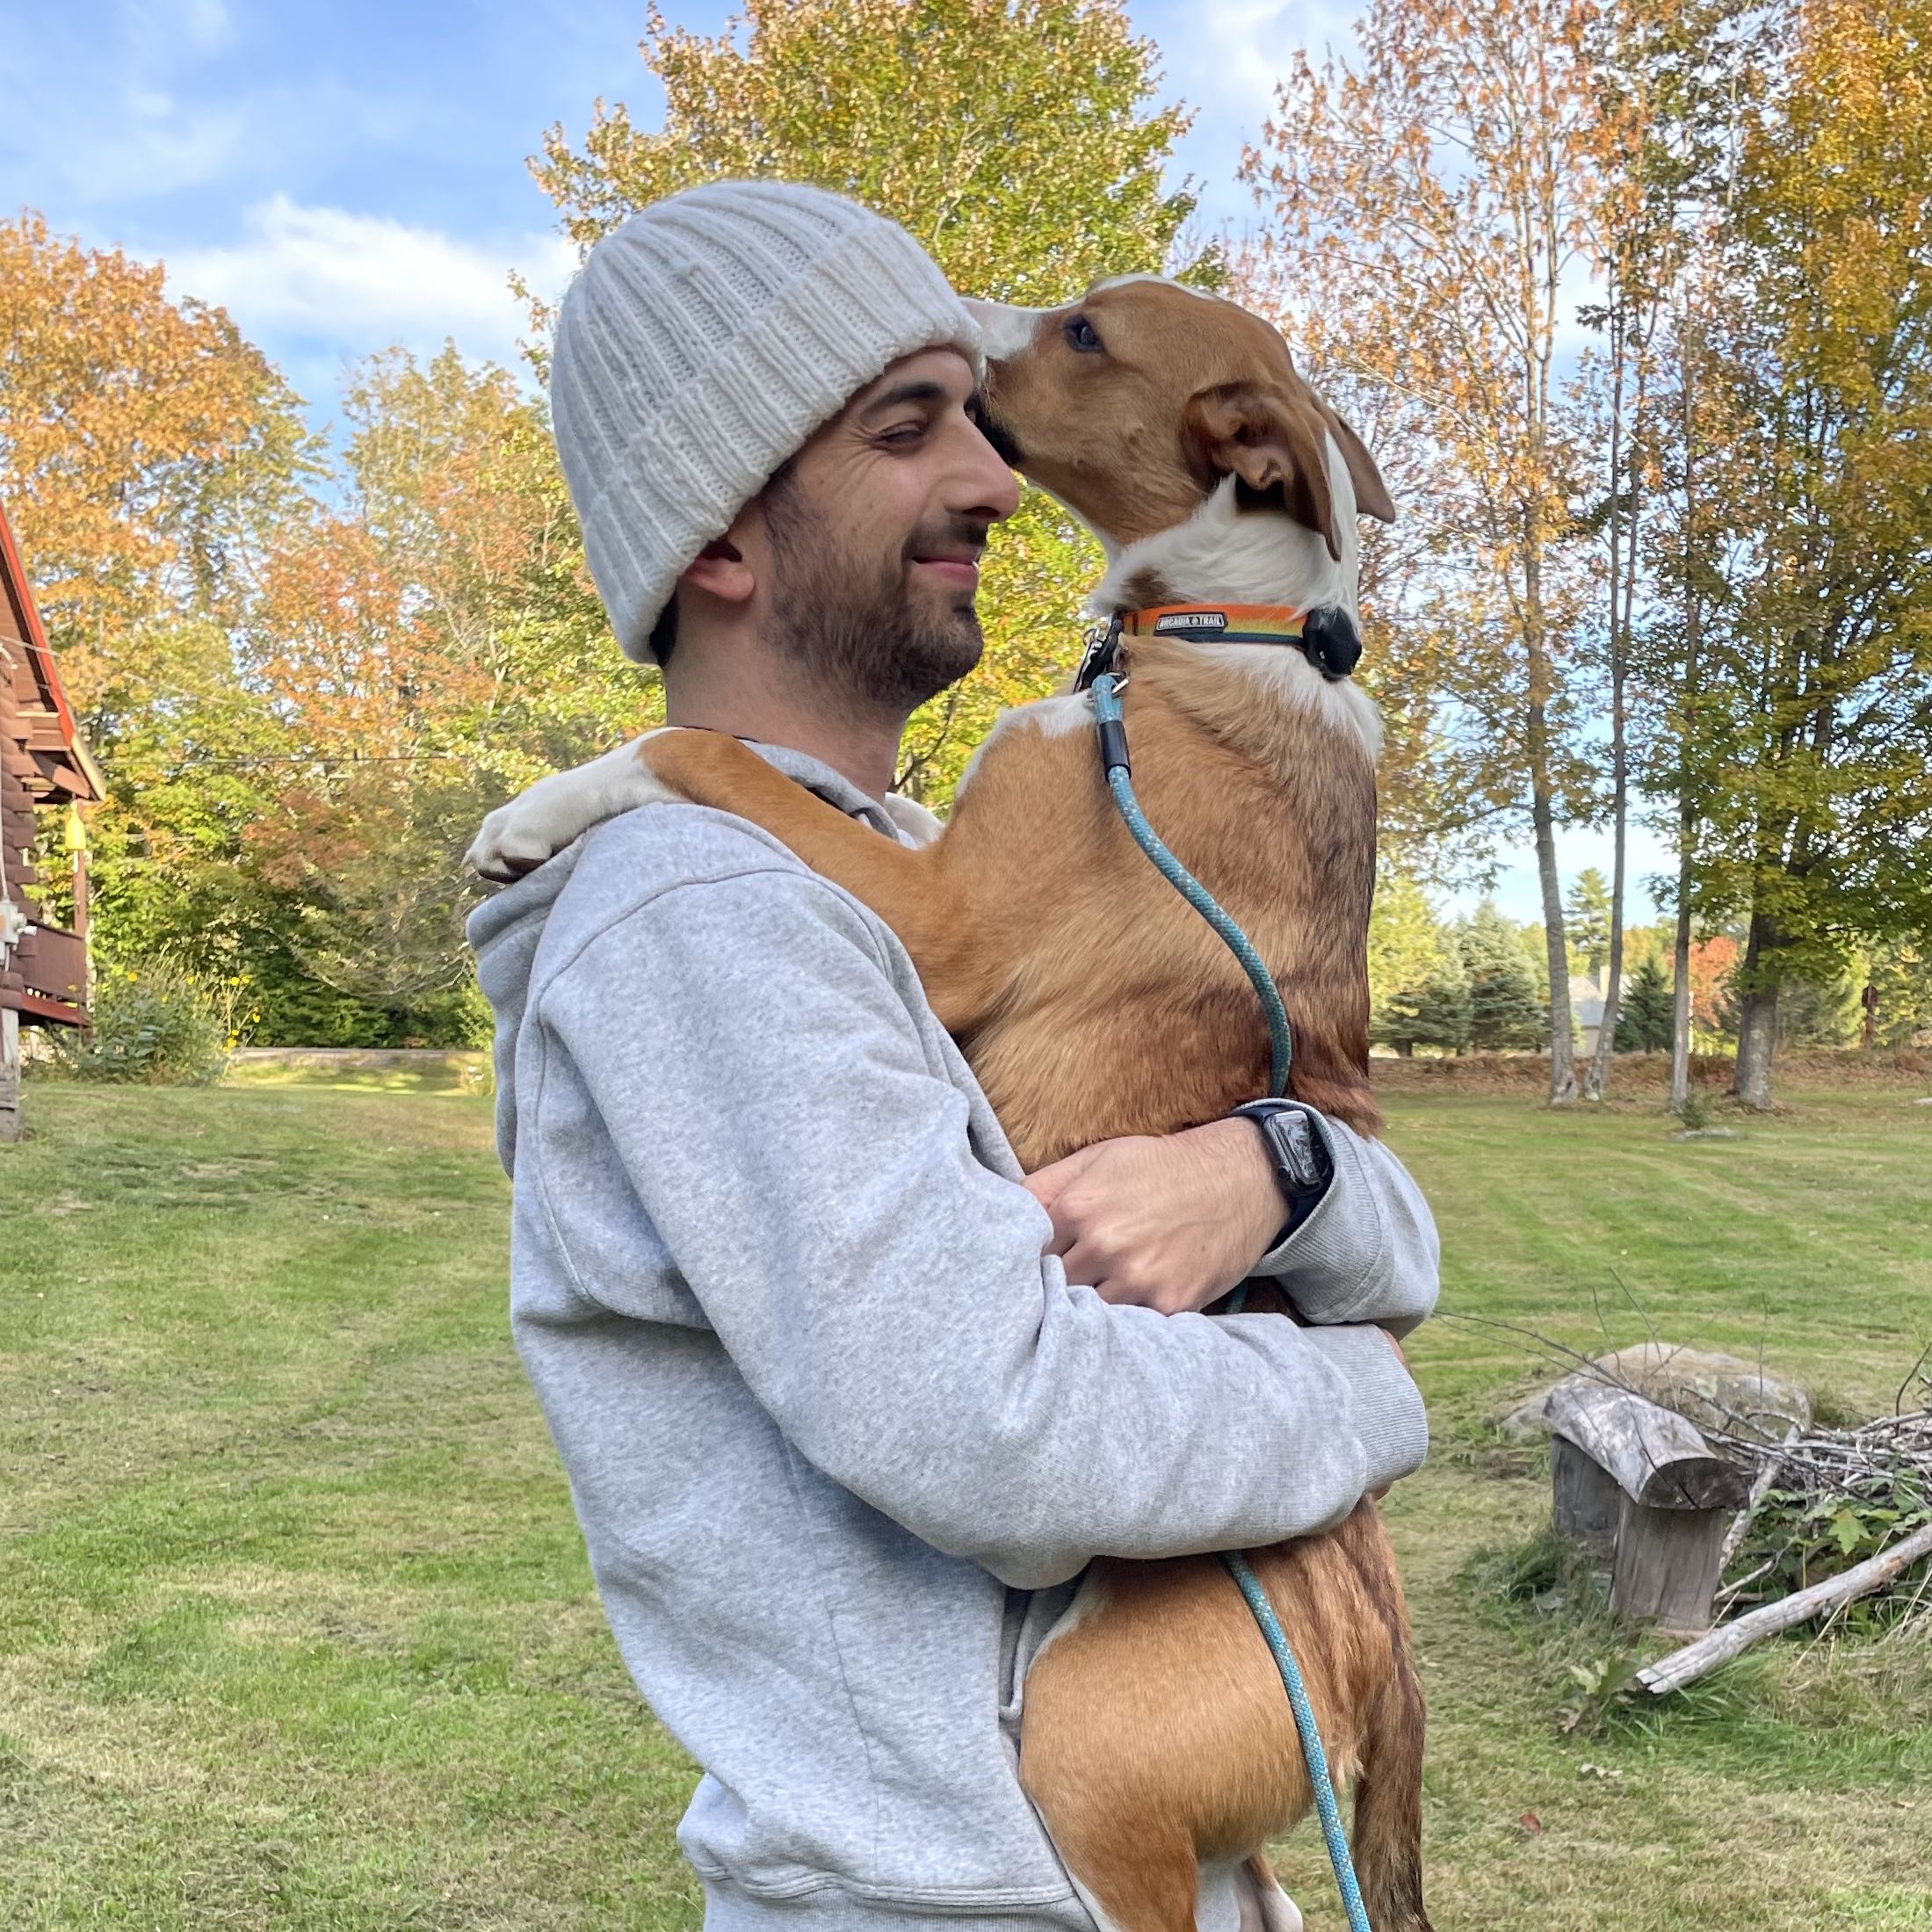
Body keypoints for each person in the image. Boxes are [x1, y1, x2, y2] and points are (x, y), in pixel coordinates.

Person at [469, 180, 1438, 1932]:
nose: (994, 475)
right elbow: (997, 1429)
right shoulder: (699, 911)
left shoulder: (925, 867)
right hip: (974, 1886)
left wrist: (1273, 1170)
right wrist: (1366, 1395)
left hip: (1129, 1842)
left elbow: (1364, 1187)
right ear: (720, 539)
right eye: (909, 428)